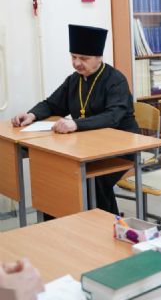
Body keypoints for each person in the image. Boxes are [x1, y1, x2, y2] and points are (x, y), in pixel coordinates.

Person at [11, 24, 139, 215]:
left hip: (121, 147)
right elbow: (52, 104)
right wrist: (31, 115)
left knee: (92, 178)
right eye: (73, 57)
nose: (77, 63)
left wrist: (75, 124)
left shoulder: (115, 80)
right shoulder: (74, 80)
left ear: (99, 57)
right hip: (88, 146)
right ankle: (60, 223)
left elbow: (113, 117)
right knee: (58, 172)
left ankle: (103, 226)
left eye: (84, 58)